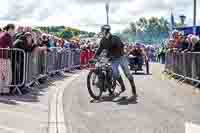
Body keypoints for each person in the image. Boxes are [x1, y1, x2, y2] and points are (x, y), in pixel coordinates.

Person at [94, 25, 137, 99]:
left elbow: (121, 46)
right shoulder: (103, 40)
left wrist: (114, 55)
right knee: (115, 74)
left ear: (106, 31)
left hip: (121, 57)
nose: (103, 32)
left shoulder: (115, 38)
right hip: (113, 59)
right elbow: (99, 49)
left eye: (103, 31)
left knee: (127, 73)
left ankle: (134, 90)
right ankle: (122, 86)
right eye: (102, 31)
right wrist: (94, 57)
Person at [0, 24, 15, 94]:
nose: (13, 31)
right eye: (12, 29)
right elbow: (10, 47)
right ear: (9, 29)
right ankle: (5, 90)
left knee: (2, 75)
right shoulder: (6, 36)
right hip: (4, 58)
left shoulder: (3, 35)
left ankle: (2, 90)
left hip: (3, 58)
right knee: (7, 75)